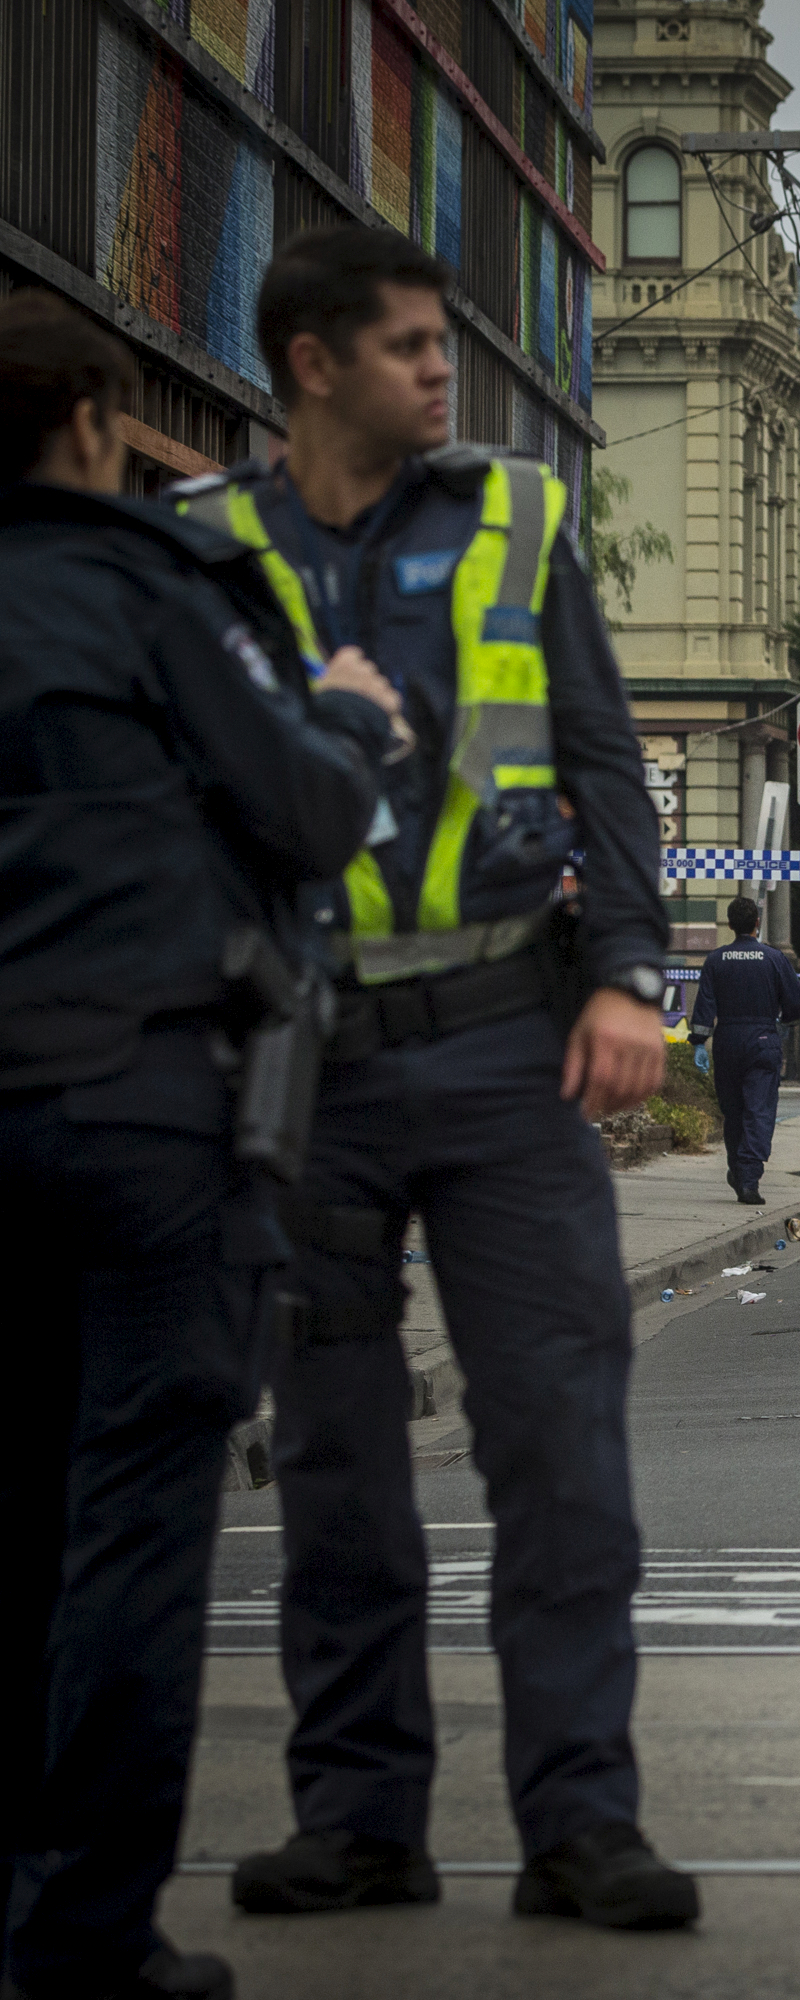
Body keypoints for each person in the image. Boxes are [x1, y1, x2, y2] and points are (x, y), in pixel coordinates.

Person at [181, 227, 697, 1932]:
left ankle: (580, 1825)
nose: (440, 373)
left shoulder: (515, 521)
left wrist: (631, 971)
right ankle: (359, 1820)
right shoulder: (200, 553)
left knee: (558, 1445)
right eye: (405, 347)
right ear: (311, 364)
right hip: (296, 1060)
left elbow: (606, 756)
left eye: (444, 345)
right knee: (330, 1455)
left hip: (504, 1040)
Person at [1, 294, 397, 2000]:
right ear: (95, 424)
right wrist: (352, 716)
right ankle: (84, 1940)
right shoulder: (154, 594)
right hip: (136, 1121)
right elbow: (305, 807)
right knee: (133, 1542)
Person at [688, 895, 800, 1204]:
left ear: (729, 924)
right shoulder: (775, 959)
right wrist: (784, 1022)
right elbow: (794, 1002)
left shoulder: (715, 960)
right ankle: (749, 1177)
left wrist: (699, 1042)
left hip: (727, 1041)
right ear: (757, 923)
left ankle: (737, 1169)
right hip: (763, 1040)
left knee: (734, 1111)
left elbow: (704, 1006)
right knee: (758, 1110)